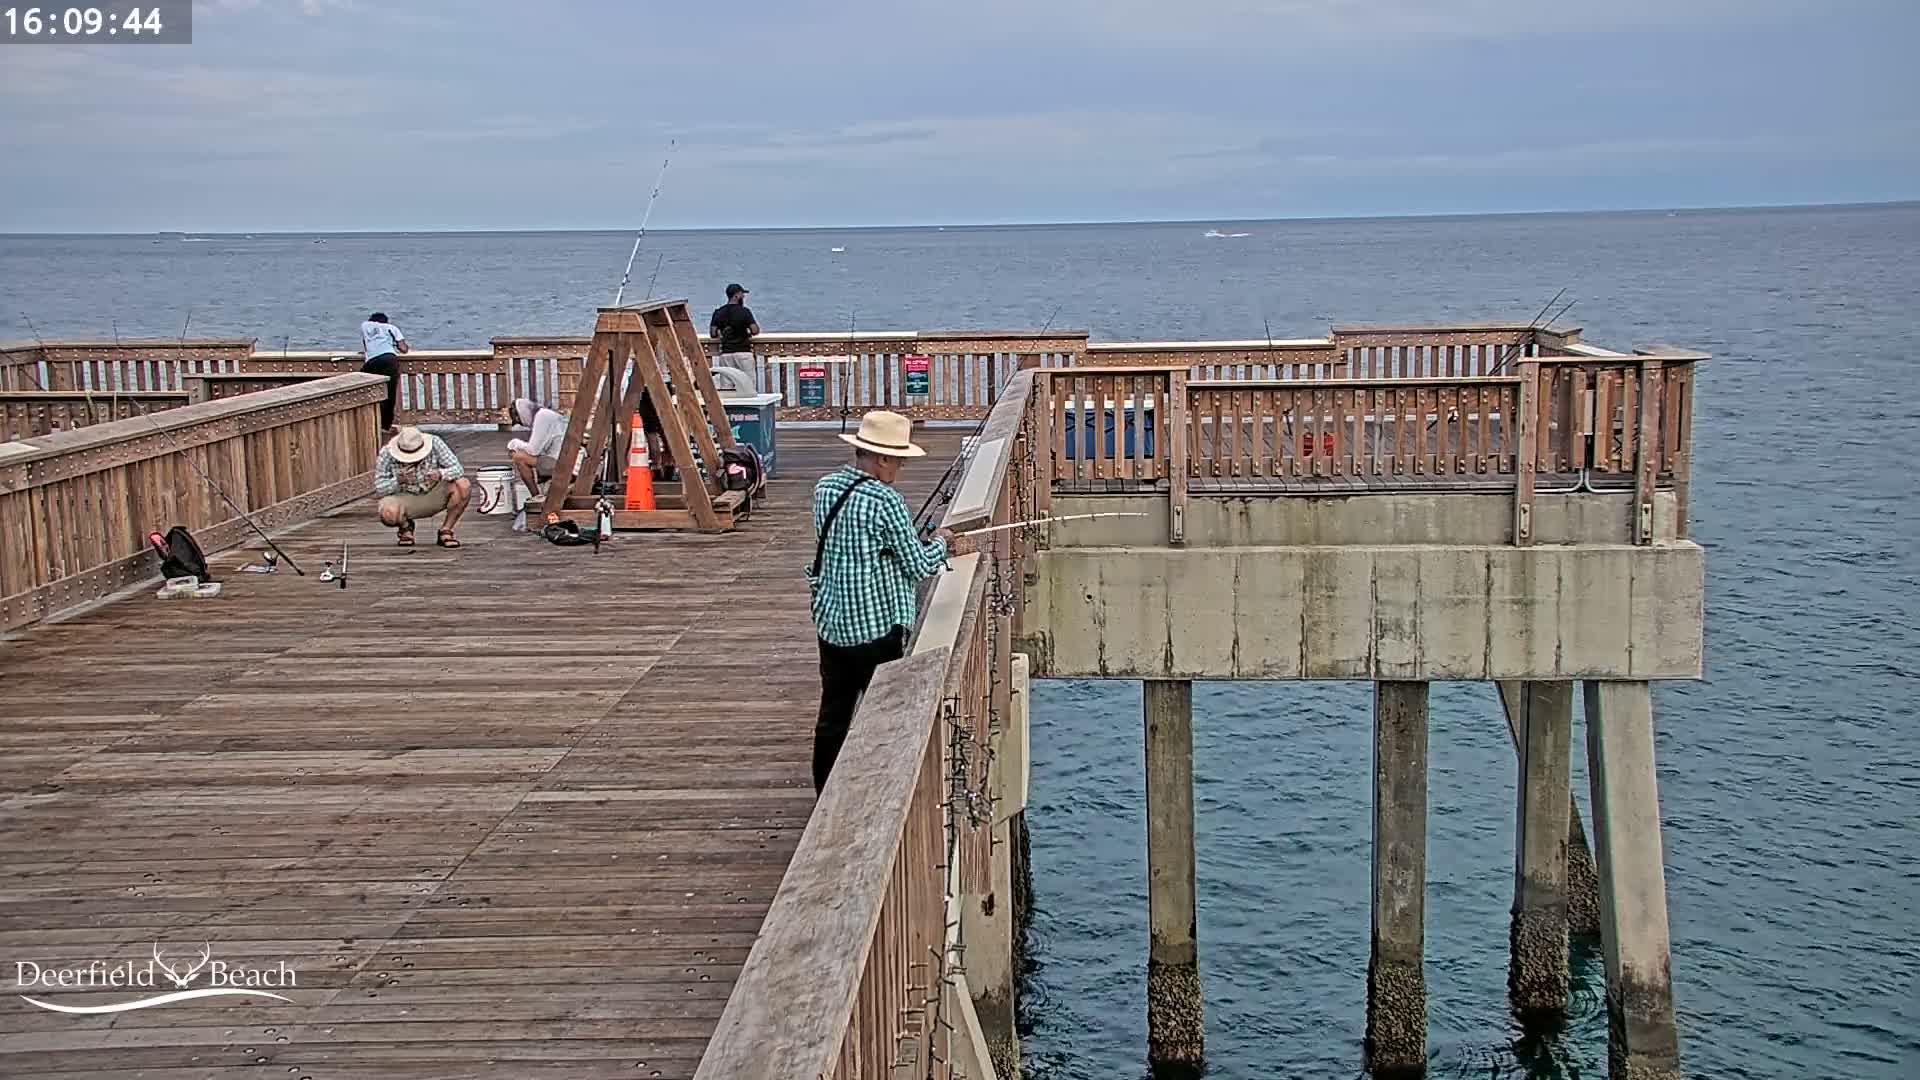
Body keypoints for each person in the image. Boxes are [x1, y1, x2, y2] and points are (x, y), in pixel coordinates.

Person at [806, 410, 973, 793]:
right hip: (875, 627)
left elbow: (849, 547)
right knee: (885, 715)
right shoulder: (887, 501)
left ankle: (825, 792)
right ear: (881, 458)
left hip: (832, 622)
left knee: (833, 715)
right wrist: (944, 542)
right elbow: (918, 565)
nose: (900, 467)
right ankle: (880, 792)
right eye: (898, 459)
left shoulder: (826, 488)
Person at [374, 426, 471, 548]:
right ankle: (405, 527)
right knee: (388, 513)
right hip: (404, 497)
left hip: (434, 493)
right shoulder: (386, 453)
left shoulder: (435, 443)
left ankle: (446, 530)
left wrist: (440, 474)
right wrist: (398, 480)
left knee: (463, 485)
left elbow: (457, 469)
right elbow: (379, 488)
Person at [505, 397, 568, 499]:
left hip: (564, 464)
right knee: (523, 453)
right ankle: (539, 495)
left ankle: (536, 497)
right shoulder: (546, 414)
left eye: (519, 421)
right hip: (566, 459)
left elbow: (533, 450)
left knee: (519, 457)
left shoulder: (542, 416)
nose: (522, 424)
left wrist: (514, 443)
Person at [359, 312, 410, 434]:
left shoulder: (365, 326)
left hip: (371, 362)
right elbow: (403, 349)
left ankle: (366, 421)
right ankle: (385, 425)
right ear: (386, 321)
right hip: (388, 360)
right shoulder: (391, 328)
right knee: (389, 394)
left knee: (364, 390)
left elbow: (366, 345)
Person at [708, 283, 759, 389]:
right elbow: (755, 330)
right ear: (736, 295)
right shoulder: (744, 311)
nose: (743, 297)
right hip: (743, 352)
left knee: (727, 387)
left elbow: (713, 333)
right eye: (742, 294)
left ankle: (730, 406)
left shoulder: (718, 312)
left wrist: (722, 332)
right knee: (748, 386)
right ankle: (748, 405)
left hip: (726, 354)